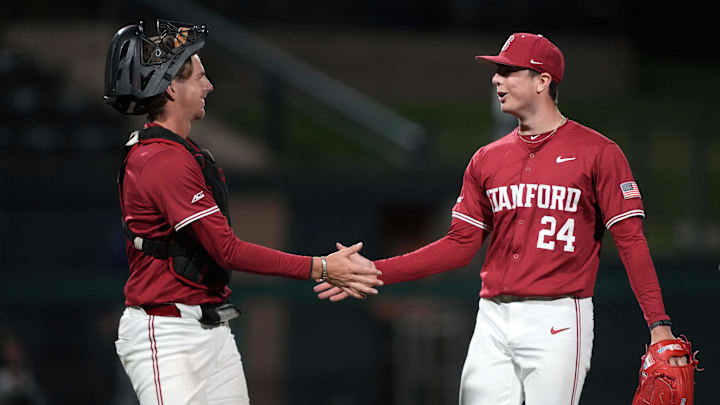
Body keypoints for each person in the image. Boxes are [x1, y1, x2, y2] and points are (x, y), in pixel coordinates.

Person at [315, 32, 688, 405]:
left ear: (543, 81)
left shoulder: (598, 153)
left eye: (509, 71)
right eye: (497, 71)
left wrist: (659, 325)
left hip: (559, 318)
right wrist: (375, 271)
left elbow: (631, 241)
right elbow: (459, 246)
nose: (497, 79)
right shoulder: (486, 159)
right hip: (492, 317)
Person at [104, 19, 381, 405]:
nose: (209, 86)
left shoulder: (180, 151)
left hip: (210, 328)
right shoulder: (159, 159)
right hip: (167, 334)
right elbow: (227, 251)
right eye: (199, 76)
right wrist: (321, 267)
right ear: (170, 87)